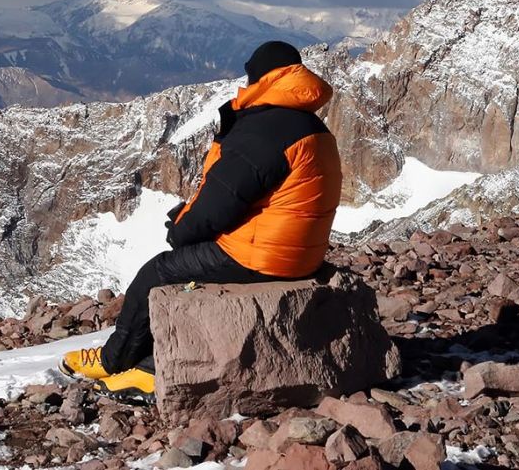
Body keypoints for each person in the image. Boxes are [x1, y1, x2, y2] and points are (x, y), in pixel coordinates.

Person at [60, 40, 343, 403]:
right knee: (186, 268)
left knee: (159, 272)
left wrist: (182, 230)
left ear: (261, 77)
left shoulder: (268, 129)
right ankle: (145, 359)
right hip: (298, 252)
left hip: (264, 257)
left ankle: (125, 363)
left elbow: (219, 204)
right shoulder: (306, 124)